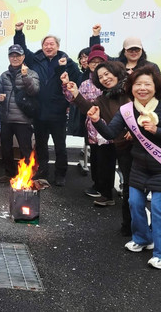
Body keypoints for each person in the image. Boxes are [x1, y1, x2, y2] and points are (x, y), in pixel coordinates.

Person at [88, 66, 161, 269]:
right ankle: (143, 238)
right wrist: (96, 121)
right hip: (139, 165)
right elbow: (111, 134)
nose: (142, 88)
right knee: (134, 202)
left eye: (147, 84)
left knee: (159, 208)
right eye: (138, 84)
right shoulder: (127, 110)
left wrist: (158, 131)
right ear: (131, 87)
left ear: (156, 87)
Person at [65, 60, 133, 235]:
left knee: (141, 187)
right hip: (122, 146)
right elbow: (91, 109)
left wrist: (136, 127)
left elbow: (147, 108)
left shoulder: (132, 89)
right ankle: (128, 226)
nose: (104, 78)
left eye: (107, 74)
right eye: (100, 76)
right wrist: (76, 94)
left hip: (141, 147)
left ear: (116, 72)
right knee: (129, 188)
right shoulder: (104, 98)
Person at [13, 22, 81, 186]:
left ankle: (60, 174)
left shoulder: (67, 62)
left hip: (58, 112)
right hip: (39, 111)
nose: (48, 47)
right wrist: (19, 32)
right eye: (46, 44)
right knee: (41, 145)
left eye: (52, 44)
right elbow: (21, 48)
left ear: (57, 46)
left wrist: (65, 68)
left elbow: (75, 81)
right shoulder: (35, 59)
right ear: (42, 46)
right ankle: (43, 171)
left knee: (60, 146)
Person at [62, 45, 115, 205]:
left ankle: (107, 193)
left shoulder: (111, 81)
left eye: (100, 61)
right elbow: (73, 99)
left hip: (111, 128)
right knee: (96, 159)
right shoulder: (85, 83)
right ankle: (97, 186)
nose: (95, 64)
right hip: (92, 128)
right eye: (93, 61)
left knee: (108, 161)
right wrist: (66, 86)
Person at [0, 44, 40, 183]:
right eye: (12, 56)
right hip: (6, 118)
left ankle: (26, 176)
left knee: (25, 149)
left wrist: (25, 75)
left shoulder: (31, 73)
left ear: (23, 57)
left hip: (23, 119)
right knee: (6, 149)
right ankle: (9, 173)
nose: (15, 58)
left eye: (18, 55)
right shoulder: (4, 75)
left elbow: (34, 91)